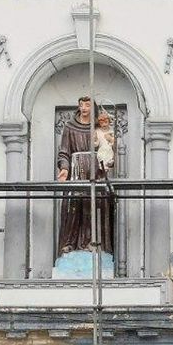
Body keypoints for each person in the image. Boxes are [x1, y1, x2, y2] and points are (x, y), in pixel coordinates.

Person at [54, 95, 116, 258]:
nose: (84, 108)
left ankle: (95, 242)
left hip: (97, 170)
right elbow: (64, 152)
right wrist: (64, 169)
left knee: (96, 206)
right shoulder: (70, 127)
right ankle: (70, 243)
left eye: (87, 105)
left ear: (92, 108)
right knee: (74, 206)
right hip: (77, 171)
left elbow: (107, 146)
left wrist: (109, 159)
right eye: (81, 104)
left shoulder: (98, 128)